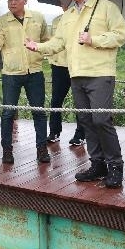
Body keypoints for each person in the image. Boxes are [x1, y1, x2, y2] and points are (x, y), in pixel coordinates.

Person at [26, 0, 125, 188]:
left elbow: (121, 35)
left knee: (101, 120)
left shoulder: (106, 7)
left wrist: (94, 39)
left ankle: (115, 166)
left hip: (100, 73)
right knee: (86, 121)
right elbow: (58, 43)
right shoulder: (69, 15)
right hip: (77, 74)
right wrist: (38, 47)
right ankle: (97, 164)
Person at [0, 0, 50, 164]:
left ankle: (42, 149)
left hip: (35, 71)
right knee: (8, 113)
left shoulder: (38, 18)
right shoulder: (1, 21)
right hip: (11, 73)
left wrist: (40, 52)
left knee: (39, 112)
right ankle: (7, 150)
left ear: (25, 1)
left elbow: (46, 41)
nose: (12, 2)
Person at [46, 11, 85, 147]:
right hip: (58, 66)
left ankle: (80, 134)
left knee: (79, 102)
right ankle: (54, 132)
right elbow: (52, 42)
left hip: (76, 65)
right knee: (56, 100)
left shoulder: (83, 18)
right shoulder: (56, 20)